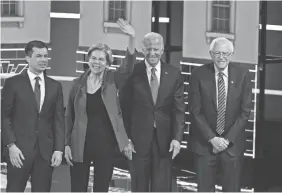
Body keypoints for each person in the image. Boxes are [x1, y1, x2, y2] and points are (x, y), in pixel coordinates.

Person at [64, 18, 135, 192]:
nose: (97, 62)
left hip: (106, 143)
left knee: (101, 188)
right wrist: (66, 144)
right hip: (80, 143)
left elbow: (128, 67)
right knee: (78, 188)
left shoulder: (112, 80)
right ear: (88, 60)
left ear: (108, 63)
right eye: (94, 58)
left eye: (102, 59)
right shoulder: (77, 84)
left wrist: (132, 38)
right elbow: (69, 117)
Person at [121, 32, 185, 192]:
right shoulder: (132, 72)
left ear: (162, 50)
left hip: (165, 142)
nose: (152, 53)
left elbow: (179, 110)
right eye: (148, 49)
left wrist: (177, 139)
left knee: (162, 188)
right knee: (139, 187)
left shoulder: (174, 74)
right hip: (137, 141)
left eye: (156, 49)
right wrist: (125, 139)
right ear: (142, 49)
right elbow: (123, 108)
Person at [189, 37, 252, 192]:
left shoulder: (243, 74)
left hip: (232, 146)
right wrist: (212, 139)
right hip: (205, 145)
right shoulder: (198, 74)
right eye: (217, 53)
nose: (221, 57)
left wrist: (226, 140)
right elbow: (195, 111)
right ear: (211, 54)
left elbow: (245, 112)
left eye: (225, 53)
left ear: (231, 54)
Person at [1, 40, 65, 192]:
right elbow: (4, 117)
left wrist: (59, 149)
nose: (44, 60)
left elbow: (59, 119)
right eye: (39, 56)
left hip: (45, 153)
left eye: (46, 56)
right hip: (19, 151)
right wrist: (11, 145)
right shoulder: (13, 83)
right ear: (28, 58)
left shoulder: (55, 86)